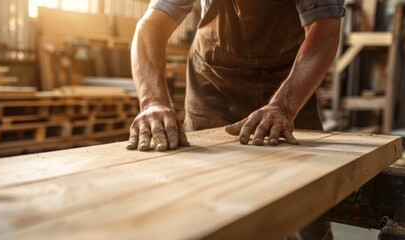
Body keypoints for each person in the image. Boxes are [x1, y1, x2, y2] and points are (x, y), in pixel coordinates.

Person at [127, 1, 345, 238]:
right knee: (204, 188)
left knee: (309, 195)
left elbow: (324, 28)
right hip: (214, 78)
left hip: (291, 75)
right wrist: (153, 102)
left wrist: (284, 105)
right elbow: (152, 25)